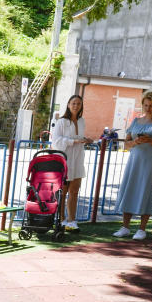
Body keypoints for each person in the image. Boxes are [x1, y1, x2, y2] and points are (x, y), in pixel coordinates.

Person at [112, 91, 152, 240]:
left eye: (151, 105)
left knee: (147, 190)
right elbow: (126, 144)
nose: (148, 108)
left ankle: (141, 229)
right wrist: (135, 142)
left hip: (150, 163)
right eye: (145, 105)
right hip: (134, 161)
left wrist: (150, 140)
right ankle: (125, 227)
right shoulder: (136, 122)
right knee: (129, 188)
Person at [50, 95, 92, 230]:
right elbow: (56, 141)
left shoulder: (82, 121)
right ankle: (61, 219)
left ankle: (72, 220)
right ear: (68, 104)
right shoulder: (61, 122)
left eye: (79, 104)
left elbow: (79, 138)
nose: (76, 106)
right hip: (65, 159)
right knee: (63, 192)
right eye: (73, 103)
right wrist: (73, 141)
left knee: (74, 191)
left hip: (78, 158)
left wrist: (85, 140)